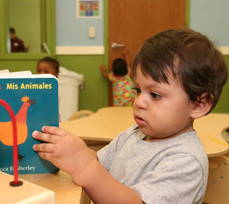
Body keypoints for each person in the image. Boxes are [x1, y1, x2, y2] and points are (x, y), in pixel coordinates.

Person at [32, 29, 228, 203]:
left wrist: (82, 166)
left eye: (155, 95)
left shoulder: (186, 161)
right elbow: (99, 163)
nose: (138, 102)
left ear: (199, 104)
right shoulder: (134, 133)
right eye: (137, 90)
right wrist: (70, 152)